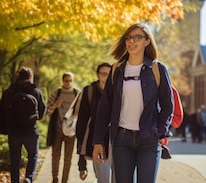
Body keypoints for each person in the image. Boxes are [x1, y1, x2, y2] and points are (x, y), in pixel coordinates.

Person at [92, 22, 174, 183]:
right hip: (121, 140)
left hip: (149, 140)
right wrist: (98, 141)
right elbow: (104, 108)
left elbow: (168, 105)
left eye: (137, 37)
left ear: (147, 41)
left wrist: (159, 131)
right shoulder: (117, 69)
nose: (132, 41)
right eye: (129, 38)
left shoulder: (157, 69)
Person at [0, 67, 46, 183]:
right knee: (33, 156)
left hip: (14, 131)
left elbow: (2, 111)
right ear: (30, 77)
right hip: (30, 131)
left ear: (18, 76)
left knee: (15, 161)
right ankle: (28, 178)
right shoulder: (36, 91)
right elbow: (42, 113)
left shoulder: (9, 91)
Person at [76, 62, 112, 183]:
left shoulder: (117, 90)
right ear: (98, 75)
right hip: (97, 139)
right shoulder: (89, 91)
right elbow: (82, 119)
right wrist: (81, 162)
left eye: (109, 74)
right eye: (103, 74)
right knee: (102, 178)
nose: (106, 76)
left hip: (116, 140)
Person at [47, 72, 80, 183]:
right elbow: (48, 111)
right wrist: (56, 105)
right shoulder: (57, 92)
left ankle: (64, 180)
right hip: (57, 129)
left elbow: (81, 113)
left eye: (70, 80)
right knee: (55, 155)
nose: (68, 83)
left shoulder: (77, 93)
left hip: (71, 130)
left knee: (68, 158)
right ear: (63, 81)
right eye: (66, 81)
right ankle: (55, 178)